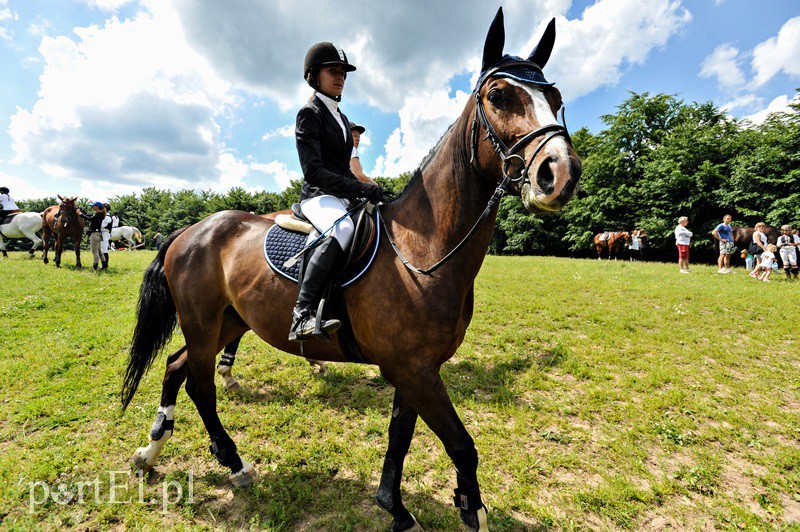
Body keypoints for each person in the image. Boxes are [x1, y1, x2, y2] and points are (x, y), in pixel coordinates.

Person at [290, 41, 384, 342]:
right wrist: (357, 187)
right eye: (333, 71)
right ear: (314, 76)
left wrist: (365, 193)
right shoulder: (309, 112)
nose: (341, 77)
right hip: (318, 195)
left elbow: (344, 167)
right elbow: (314, 171)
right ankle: (301, 315)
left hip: (342, 194)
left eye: (343, 72)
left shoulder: (343, 119)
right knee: (341, 228)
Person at [76, 202, 107, 270]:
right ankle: (104, 265)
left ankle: (95, 267)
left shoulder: (98, 214)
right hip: (98, 234)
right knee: (99, 251)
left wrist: (80, 214)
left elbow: (89, 218)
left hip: (95, 234)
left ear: (97, 206)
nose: (92, 207)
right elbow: (88, 216)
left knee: (94, 251)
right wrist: (82, 213)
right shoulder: (98, 214)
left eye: (93, 206)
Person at [348, 121, 378, 185]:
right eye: (354, 136)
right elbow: (359, 176)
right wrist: (377, 186)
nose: (358, 139)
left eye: (359, 136)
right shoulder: (351, 149)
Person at [101, 202, 116, 268]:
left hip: (105, 233)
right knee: (102, 249)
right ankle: (103, 264)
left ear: (105, 208)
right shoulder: (104, 216)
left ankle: (105, 265)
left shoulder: (108, 217)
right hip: (102, 233)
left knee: (104, 249)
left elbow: (102, 225)